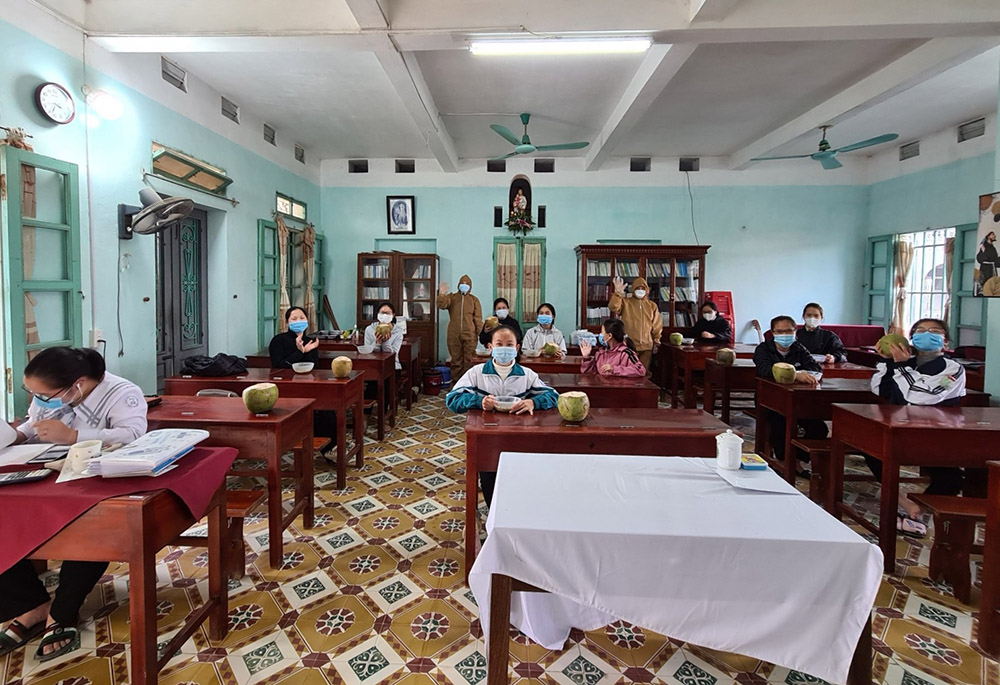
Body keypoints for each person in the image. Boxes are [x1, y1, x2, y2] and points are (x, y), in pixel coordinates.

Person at [1, 347, 147, 662]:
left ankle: (63, 610)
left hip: (94, 482)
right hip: (45, 477)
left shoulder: (122, 393)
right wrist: (14, 436)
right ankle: (29, 604)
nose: (38, 400)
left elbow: (134, 435)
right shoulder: (50, 399)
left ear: (77, 385)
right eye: (33, 393)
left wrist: (74, 435)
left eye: (44, 394)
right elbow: (32, 426)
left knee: (91, 523)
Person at [867, 318, 974, 537]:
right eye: (920, 331)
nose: (927, 334)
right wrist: (887, 361)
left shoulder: (953, 369)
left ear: (945, 341)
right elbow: (880, 389)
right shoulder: (907, 362)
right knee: (869, 446)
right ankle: (903, 501)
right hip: (899, 428)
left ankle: (922, 512)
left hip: (936, 434)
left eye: (934, 331)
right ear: (912, 338)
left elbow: (921, 397)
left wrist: (901, 366)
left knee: (950, 478)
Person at [445, 326, 558, 506]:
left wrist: (533, 402)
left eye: (509, 344)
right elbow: (452, 399)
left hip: (519, 437)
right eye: (499, 344)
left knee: (518, 481)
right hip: (488, 438)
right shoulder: (477, 373)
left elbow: (553, 396)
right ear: (490, 347)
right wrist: (479, 401)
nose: (504, 348)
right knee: (489, 477)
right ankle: (493, 513)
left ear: (517, 348)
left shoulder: (526, 375)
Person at [753, 315, 827, 466]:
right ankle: (784, 460)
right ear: (773, 333)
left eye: (788, 331)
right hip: (770, 400)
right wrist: (796, 375)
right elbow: (765, 369)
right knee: (781, 423)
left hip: (799, 400)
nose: (784, 335)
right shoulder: (763, 349)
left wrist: (807, 375)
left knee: (819, 428)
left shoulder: (799, 349)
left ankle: (797, 458)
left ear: (795, 331)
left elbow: (815, 368)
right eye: (779, 331)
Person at [609, 276, 663, 374]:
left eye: (643, 288)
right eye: (638, 288)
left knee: (643, 372)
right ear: (633, 289)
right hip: (629, 346)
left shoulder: (652, 305)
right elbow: (613, 307)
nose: (640, 290)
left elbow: (657, 325)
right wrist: (618, 293)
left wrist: (656, 341)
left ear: (647, 290)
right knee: (628, 372)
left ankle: (642, 389)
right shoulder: (626, 302)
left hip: (647, 347)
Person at [438, 275, 483, 380]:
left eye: (467, 284)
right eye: (462, 283)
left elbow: (478, 318)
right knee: (456, 361)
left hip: (470, 335)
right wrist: (442, 293)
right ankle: (456, 384)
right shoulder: (452, 297)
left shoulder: (474, 300)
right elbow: (442, 305)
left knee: (469, 360)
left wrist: (481, 333)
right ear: (458, 285)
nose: (464, 285)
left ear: (470, 286)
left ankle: (468, 384)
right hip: (454, 334)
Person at [580, 318, 646, 377]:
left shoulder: (626, 353)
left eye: (602, 332)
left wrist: (615, 369)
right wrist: (586, 357)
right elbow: (589, 373)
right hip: (602, 388)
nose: (600, 335)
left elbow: (640, 370)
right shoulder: (601, 353)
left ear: (609, 336)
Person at [364, 301, 404, 370]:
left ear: (393, 315)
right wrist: (378, 343)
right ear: (378, 314)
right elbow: (368, 352)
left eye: (388, 313)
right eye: (382, 313)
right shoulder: (369, 329)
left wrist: (386, 341)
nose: (385, 315)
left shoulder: (398, 331)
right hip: (373, 365)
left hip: (392, 365)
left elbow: (393, 354)